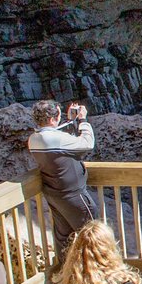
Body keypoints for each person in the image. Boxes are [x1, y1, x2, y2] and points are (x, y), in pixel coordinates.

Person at [27, 99, 97, 274]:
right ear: (52, 118)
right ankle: (98, 274)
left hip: (55, 194)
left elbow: (59, 140)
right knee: (92, 234)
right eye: (58, 114)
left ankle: (67, 275)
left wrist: (70, 121)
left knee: (64, 238)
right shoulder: (54, 139)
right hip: (74, 195)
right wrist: (82, 120)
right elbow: (87, 143)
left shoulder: (34, 139)